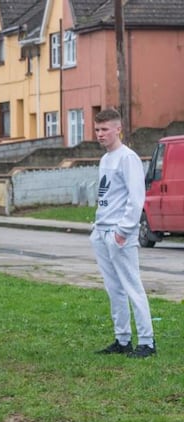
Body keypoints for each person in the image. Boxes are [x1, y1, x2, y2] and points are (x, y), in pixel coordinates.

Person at [90, 108, 156, 358]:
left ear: (118, 129)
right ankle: (122, 339)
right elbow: (106, 195)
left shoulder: (128, 158)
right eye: (97, 129)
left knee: (132, 286)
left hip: (119, 234)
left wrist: (123, 230)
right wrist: (97, 229)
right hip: (102, 232)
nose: (100, 134)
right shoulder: (106, 159)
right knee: (113, 288)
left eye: (105, 129)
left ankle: (147, 342)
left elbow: (136, 197)